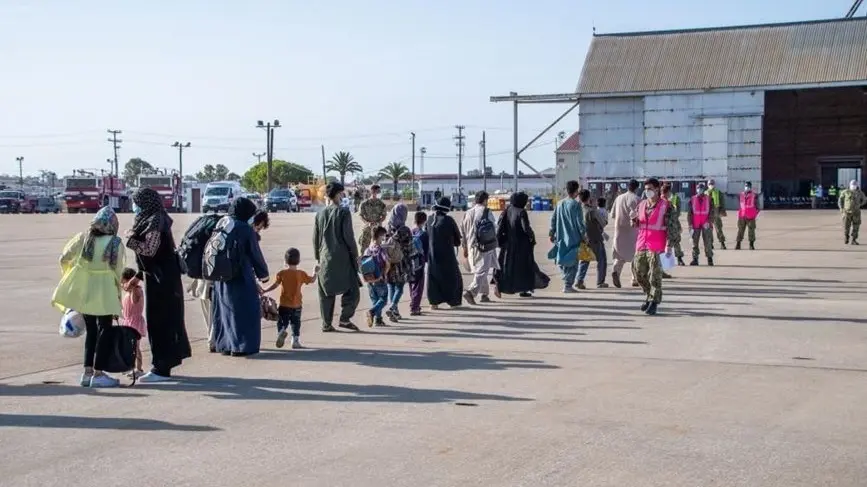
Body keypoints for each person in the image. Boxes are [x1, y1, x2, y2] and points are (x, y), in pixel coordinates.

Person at [52, 206, 125, 388]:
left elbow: (64, 258)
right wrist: (117, 294)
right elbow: (118, 271)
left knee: (91, 331)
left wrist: (72, 274)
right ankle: (99, 373)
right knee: (105, 330)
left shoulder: (84, 238)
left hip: (86, 289)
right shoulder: (115, 243)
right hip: (106, 289)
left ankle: (88, 372)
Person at [126, 188, 191, 382]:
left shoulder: (155, 220)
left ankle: (161, 368)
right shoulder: (152, 218)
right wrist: (138, 276)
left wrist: (130, 238)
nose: (134, 207)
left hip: (163, 281)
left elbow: (149, 249)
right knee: (159, 321)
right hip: (157, 278)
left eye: (136, 203)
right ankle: (162, 364)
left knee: (162, 321)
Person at [207, 197, 270, 357]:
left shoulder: (222, 223)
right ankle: (242, 346)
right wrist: (264, 275)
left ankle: (225, 345)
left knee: (224, 311)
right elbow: (255, 254)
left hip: (220, 277)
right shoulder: (245, 229)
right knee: (244, 311)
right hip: (241, 276)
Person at [313, 182, 361, 331]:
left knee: (326, 292)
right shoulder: (343, 212)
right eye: (342, 193)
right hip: (343, 258)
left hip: (325, 258)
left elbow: (316, 238)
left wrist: (318, 257)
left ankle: (326, 323)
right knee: (353, 290)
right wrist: (356, 255)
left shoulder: (320, 214)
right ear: (339, 194)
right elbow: (349, 237)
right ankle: (345, 319)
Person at [632, 178, 677, 316]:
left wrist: (670, 244)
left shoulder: (666, 206)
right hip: (641, 243)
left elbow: (672, 227)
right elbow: (637, 224)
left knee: (655, 276)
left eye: (650, 188)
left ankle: (653, 302)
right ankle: (649, 294)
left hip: (657, 245)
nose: (647, 191)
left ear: (657, 189)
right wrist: (633, 219)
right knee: (638, 273)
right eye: (645, 189)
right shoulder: (641, 204)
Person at [260, 248, 317, 349]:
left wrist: (265, 290)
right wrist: (315, 272)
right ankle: (295, 340)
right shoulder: (301, 274)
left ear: (285, 261)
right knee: (296, 323)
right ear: (298, 261)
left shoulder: (282, 274)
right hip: (297, 305)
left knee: (282, 321)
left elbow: (275, 285)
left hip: (284, 304)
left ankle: (281, 331)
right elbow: (312, 280)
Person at [494, 192, 538, 297]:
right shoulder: (522, 212)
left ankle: (500, 286)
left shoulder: (507, 210)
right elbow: (525, 228)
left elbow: (500, 226)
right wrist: (532, 237)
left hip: (508, 245)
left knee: (507, 267)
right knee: (523, 267)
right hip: (521, 245)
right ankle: (523, 289)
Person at [461, 191, 499, 304]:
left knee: (480, 270)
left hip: (471, 246)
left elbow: (462, 231)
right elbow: (494, 228)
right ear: (485, 200)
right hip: (484, 245)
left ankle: (484, 295)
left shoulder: (467, 213)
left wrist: (465, 248)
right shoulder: (486, 211)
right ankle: (471, 292)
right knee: (483, 270)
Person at [426, 197, 464, 309]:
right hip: (447, 256)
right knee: (453, 278)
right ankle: (454, 302)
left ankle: (434, 303)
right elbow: (457, 240)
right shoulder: (448, 220)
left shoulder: (429, 219)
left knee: (433, 279)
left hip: (432, 256)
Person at [548, 180, 585, 293]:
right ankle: (568, 285)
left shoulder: (559, 204)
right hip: (573, 237)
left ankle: (566, 280)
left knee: (562, 259)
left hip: (560, 236)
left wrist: (551, 232)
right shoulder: (576, 205)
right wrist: (584, 235)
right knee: (573, 262)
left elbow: (553, 219)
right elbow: (580, 223)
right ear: (576, 191)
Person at [384, 203, 413, 321]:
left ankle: (395, 312)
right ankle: (393, 307)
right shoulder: (405, 230)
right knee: (400, 287)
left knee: (391, 285)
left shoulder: (387, 227)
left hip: (389, 262)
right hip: (402, 262)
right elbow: (410, 248)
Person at [609, 179, 640, 288]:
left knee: (619, 255)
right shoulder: (637, 199)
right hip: (632, 232)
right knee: (635, 256)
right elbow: (639, 217)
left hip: (619, 230)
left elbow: (612, 214)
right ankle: (634, 279)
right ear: (637, 188)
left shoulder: (618, 198)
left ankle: (616, 272)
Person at [577, 189, 608, 289]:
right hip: (595, 238)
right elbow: (603, 223)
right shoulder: (592, 211)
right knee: (602, 260)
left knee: (584, 260)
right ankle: (600, 282)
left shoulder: (578, 209)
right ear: (589, 198)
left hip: (584, 238)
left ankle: (579, 280)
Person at [120, 267, 147, 378]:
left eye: (123, 282)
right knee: (129, 347)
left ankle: (139, 368)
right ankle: (131, 366)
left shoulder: (136, 290)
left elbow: (135, 301)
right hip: (128, 321)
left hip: (134, 323)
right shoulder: (129, 292)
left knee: (135, 347)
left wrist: (132, 287)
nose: (122, 285)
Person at [363, 226, 391, 326]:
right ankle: (372, 312)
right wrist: (384, 273)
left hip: (370, 280)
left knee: (375, 299)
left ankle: (378, 320)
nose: (383, 238)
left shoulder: (367, 250)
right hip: (379, 279)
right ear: (379, 236)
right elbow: (387, 263)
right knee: (383, 300)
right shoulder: (380, 250)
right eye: (383, 236)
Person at [409, 211, 430, 315]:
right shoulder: (424, 234)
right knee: (418, 284)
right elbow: (426, 250)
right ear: (424, 221)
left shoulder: (410, 231)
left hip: (408, 261)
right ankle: (415, 307)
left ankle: (413, 303)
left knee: (411, 282)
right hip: (419, 261)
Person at [661, 182, 686, 268]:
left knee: (676, 242)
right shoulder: (664, 203)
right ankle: (665, 263)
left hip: (672, 227)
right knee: (669, 245)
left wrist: (678, 226)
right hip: (668, 228)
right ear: (667, 192)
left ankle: (679, 259)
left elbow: (674, 216)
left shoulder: (667, 202)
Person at [688, 183, 714, 266]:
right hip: (695, 224)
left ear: (704, 189)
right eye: (698, 188)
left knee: (708, 242)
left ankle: (710, 259)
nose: (700, 190)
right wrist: (690, 224)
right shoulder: (692, 199)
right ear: (696, 189)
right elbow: (690, 213)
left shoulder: (709, 199)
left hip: (706, 224)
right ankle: (695, 259)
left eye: (701, 188)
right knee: (694, 242)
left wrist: (709, 221)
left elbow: (712, 212)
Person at [357, 184, 387, 251]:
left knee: (378, 247)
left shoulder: (381, 204)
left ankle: (377, 260)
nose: (377, 193)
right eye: (375, 191)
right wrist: (367, 223)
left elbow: (384, 215)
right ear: (371, 191)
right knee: (364, 246)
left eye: (378, 192)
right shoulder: (364, 203)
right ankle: (363, 259)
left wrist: (378, 222)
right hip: (367, 227)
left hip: (377, 228)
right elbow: (360, 215)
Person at [838, 179, 866, 245]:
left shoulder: (860, 192)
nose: (853, 186)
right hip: (846, 212)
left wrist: (859, 205)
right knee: (846, 226)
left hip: (856, 212)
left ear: (857, 185)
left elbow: (864, 199)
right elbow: (840, 201)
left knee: (856, 226)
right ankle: (846, 237)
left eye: (855, 185)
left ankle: (854, 240)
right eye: (852, 185)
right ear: (850, 185)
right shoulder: (845, 192)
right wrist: (841, 209)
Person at [736, 182, 759, 250]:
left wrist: (754, 214)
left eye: (748, 186)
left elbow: (758, 207)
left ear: (750, 187)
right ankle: (738, 244)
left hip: (751, 216)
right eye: (746, 186)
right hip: (742, 216)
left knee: (751, 231)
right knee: (740, 230)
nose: (747, 187)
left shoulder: (754, 195)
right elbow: (740, 205)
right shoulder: (740, 195)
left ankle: (751, 245)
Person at [706, 179, 727, 249]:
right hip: (708, 215)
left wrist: (722, 211)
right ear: (707, 185)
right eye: (709, 184)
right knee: (709, 230)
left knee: (719, 229)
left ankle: (722, 243)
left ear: (714, 184)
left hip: (716, 213)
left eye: (712, 184)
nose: (711, 185)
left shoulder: (718, 192)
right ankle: (710, 244)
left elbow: (722, 203)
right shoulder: (705, 193)